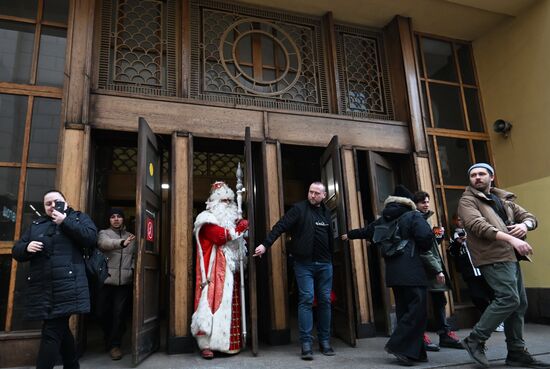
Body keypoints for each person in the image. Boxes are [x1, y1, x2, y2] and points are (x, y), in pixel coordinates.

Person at [458, 163, 549, 368]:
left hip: (510, 257)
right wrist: (512, 239)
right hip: (492, 256)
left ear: (491, 177)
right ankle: (475, 339)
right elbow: (478, 226)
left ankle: (516, 352)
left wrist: (523, 225)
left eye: (482, 174)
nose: (477, 178)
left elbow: (531, 218)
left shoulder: (503, 199)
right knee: (508, 298)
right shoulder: (467, 200)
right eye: (473, 175)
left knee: (519, 304)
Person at [341, 185, 434, 366]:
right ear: (409, 202)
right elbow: (425, 238)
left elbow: (367, 231)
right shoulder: (413, 215)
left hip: (394, 272)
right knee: (418, 312)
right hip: (413, 270)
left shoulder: (384, 218)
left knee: (404, 310)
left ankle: (416, 353)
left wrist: (349, 235)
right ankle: (398, 346)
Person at [12, 190, 97, 369]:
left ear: (65, 202)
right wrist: (26, 247)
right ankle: (72, 366)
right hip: (43, 287)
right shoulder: (37, 223)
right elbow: (17, 250)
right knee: (60, 329)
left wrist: (65, 221)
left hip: (68, 286)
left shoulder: (78, 218)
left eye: (56, 202)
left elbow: (90, 238)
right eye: (48, 204)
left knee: (51, 331)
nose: (52, 206)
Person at [254, 182, 335, 361]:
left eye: (316, 193)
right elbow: (280, 226)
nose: (312, 195)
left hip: (325, 264)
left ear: (323, 195)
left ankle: (325, 341)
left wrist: (331, 258)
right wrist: (265, 245)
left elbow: (330, 237)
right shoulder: (299, 209)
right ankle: (306, 343)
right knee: (306, 299)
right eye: (310, 192)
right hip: (304, 264)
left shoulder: (326, 212)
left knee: (325, 301)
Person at [191, 181, 248, 359]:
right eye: (224, 201)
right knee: (210, 304)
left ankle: (229, 343)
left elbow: (236, 238)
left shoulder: (232, 219)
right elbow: (218, 236)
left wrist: (241, 229)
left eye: (230, 201)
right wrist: (237, 229)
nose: (228, 205)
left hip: (230, 268)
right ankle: (207, 344)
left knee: (231, 305)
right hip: (212, 271)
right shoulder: (205, 219)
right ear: (214, 201)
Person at [412, 191, 462, 351]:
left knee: (439, 300)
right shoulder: (415, 219)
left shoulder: (426, 220)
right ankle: (422, 335)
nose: (426, 204)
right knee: (421, 303)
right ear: (415, 204)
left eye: (427, 202)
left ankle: (444, 334)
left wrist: (437, 238)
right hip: (423, 267)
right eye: (422, 202)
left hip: (432, 265)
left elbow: (429, 245)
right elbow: (423, 250)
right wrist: (437, 269)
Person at [97, 208, 136, 360]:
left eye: (119, 216)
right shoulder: (103, 233)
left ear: (123, 219)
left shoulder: (131, 237)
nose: (116, 219)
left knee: (119, 314)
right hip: (106, 280)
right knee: (101, 313)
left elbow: (135, 257)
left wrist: (132, 271)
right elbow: (104, 244)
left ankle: (115, 345)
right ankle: (109, 336)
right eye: (112, 216)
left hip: (124, 282)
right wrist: (121, 243)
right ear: (109, 220)